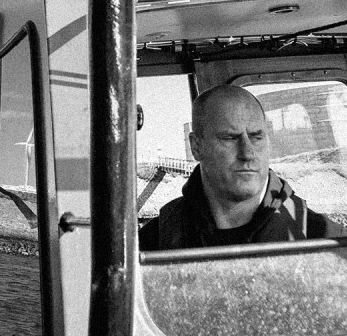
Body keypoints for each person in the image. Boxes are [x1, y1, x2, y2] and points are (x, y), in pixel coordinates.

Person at [139, 84, 331, 251]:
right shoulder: (153, 243)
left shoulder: (323, 238)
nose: (247, 153)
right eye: (230, 138)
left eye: (256, 137)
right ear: (196, 146)